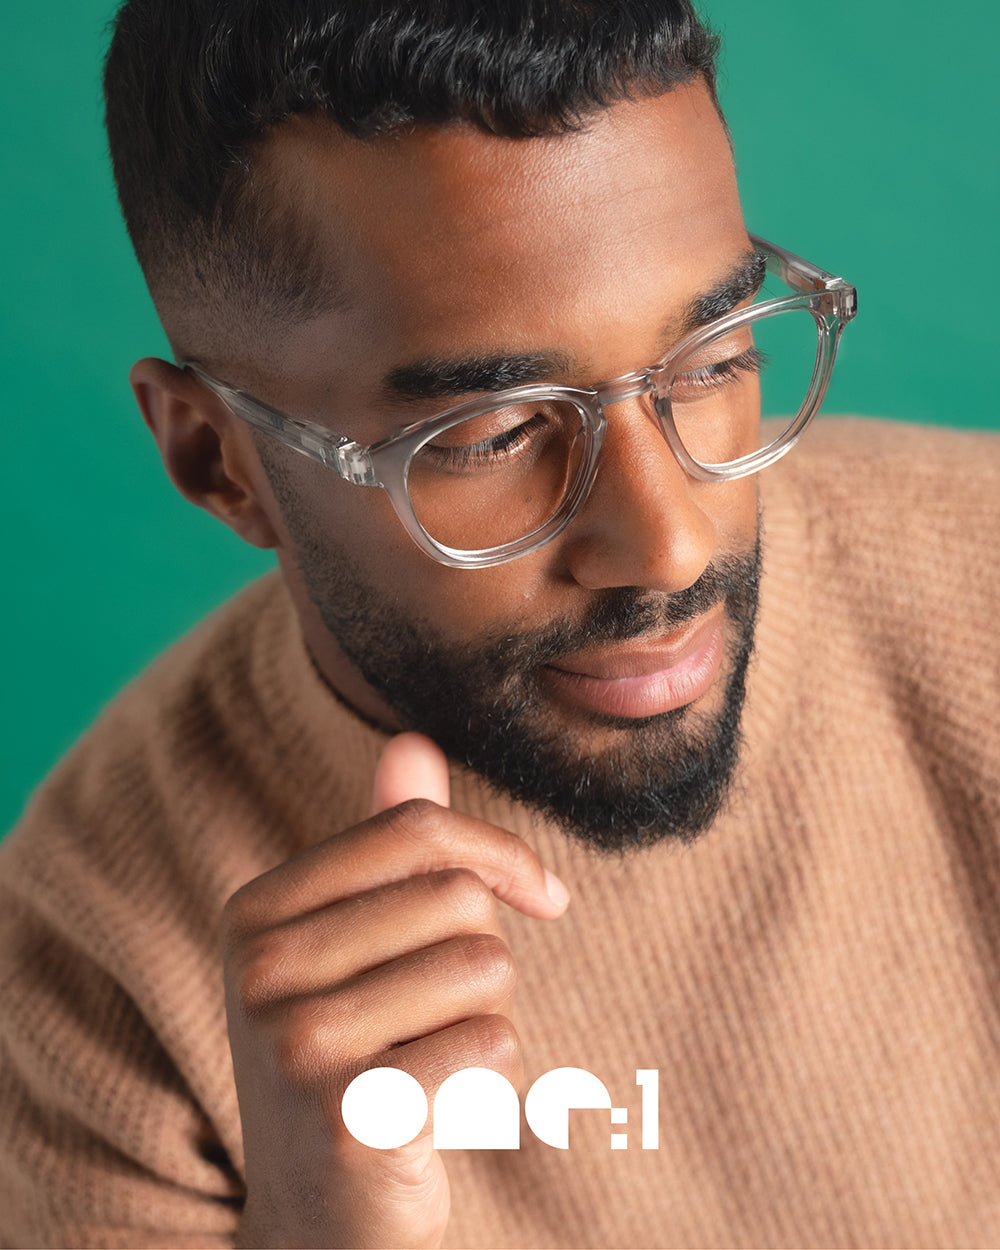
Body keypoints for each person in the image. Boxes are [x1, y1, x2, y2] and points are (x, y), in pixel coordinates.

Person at [1, 0, 998, 1246]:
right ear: (220, 462)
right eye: (493, 433)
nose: (672, 542)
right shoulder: (89, 966)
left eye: (712, 357)